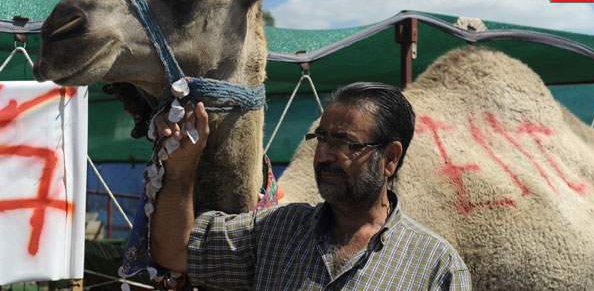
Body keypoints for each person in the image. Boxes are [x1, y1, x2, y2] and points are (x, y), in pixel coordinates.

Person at [151, 82, 471, 290]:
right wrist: (181, 169)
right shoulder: (275, 231)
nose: (324, 155)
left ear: (390, 158)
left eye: (345, 143)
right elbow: (176, 252)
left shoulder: (435, 267)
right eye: (322, 139)